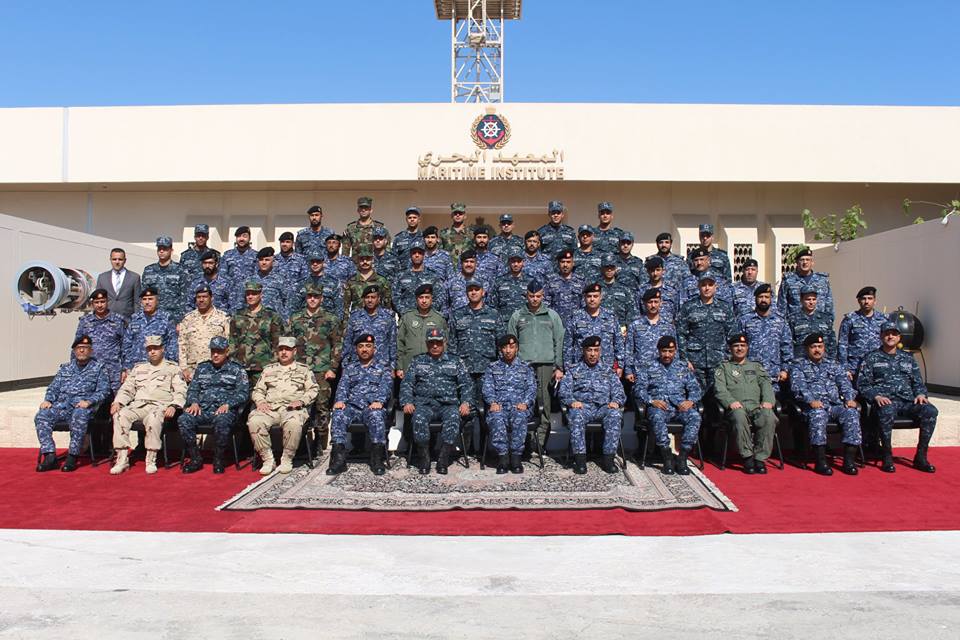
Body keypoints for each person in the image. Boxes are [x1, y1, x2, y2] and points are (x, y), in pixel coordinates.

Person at [857, 322, 938, 473]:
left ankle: (921, 456)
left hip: (908, 401)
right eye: (887, 333)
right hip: (885, 402)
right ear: (881, 336)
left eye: (894, 334)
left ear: (899, 337)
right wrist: (876, 396)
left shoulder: (908, 358)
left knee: (930, 411)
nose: (890, 337)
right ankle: (887, 456)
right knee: (886, 410)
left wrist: (921, 394)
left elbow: (918, 382)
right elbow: (862, 384)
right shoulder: (871, 358)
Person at [399, 328, 473, 475]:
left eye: (438, 343)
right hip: (424, 404)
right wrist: (407, 401)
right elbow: (407, 383)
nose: (434, 346)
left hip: (448, 405)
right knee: (418, 419)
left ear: (444, 342)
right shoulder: (418, 361)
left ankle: (443, 459)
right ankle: (424, 459)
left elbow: (466, 384)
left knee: (453, 419)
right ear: (427, 344)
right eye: (431, 343)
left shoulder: (455, 361)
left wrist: (466, 402)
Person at [109, 335, 187, 475]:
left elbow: (181, 390)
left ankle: (151, 459)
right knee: (120, 415)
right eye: (149, 349)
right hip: (138, 405)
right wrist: (118, 402)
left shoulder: (172, 368)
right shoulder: (139, 368)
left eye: (155, 348)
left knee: (154, 417)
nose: (152, 351)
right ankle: (122, 459)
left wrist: (174, 405)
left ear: (162, 349)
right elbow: (127, 388)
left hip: (160, 406)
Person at [34, 336, 110, 472]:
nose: (82, 350)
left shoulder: (99, 368)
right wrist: (48, 400)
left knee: (79, 415)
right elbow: (53, 388)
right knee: (42, 415)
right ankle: (50, 456)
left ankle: (72, 456)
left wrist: (89, 402)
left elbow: (104, 391)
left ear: (91, 351)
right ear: (74, 351)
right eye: (79, 348)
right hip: (62, 407)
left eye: (85, 348)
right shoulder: (65, 368)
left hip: (83, 408)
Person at [789, 333, 861, 476]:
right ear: (807, 349)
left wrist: (849, 399)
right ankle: (820, 461)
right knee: (818, 414)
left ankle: (849, 461)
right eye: (813, 347)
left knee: (851, 413)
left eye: (820, 346)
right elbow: (798, 388)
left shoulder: (833, 365)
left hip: (834, 405)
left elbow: (845, 384)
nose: (817, 350)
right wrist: (811, 400)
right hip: (812, 407)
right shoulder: (798, 366)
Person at [247, 337, 319, 475]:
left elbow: (313, 390)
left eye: (287, 349)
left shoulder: (304, 370)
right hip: (270, 408)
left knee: (294, 422)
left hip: (293, 409)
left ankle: (287, 459)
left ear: (295, 351)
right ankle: (268, 459)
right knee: (254, 420)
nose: (284, 352)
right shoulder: (268, 370)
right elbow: (257, 390)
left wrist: (301, 401)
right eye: (281, 349)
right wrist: (260, 402)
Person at [178, 336, 250, 474]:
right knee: (184, 419)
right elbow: (193, 389)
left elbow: (243, 393)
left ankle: (219, 458)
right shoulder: (202, 368)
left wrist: (228, 404)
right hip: (203, 410)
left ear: (227, 351)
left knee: (222, 420)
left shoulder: (237, 369)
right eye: (213, 351)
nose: (215, 355)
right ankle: (195, 458)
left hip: (224, 411)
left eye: (219, 351)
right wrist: (194, 402)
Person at [507, 280, 565, 449]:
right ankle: (525, 441)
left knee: (544, 403)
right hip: (523, 366)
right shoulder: (517, 315)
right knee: (523, 402)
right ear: (526, 295)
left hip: (545, 365)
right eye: (531, 296)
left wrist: (559, 366)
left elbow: (559, 341)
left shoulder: (552, 315)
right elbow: (510, 342)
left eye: (538, 296)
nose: (534, 299)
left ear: (543, 296)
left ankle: (539, 444)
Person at [634, 336, 703, 476]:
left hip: (680, 407)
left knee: (695, 416)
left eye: (670, 351)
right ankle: (667, 457)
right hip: (659, 407)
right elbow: (638, 389)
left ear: (675, 351)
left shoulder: (682, 367)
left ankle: (682, 457)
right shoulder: (648, 367)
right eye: (664, 351)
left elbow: (696, 389)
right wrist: (651, 401)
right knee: (657, 417)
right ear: (658, 351)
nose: (667, 354)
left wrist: (690, 401)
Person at [326, 333, 393, 476]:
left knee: (376, 415)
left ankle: (377, 459)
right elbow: (342, 387)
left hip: (372, 407)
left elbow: (386, 387)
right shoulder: (350, 368)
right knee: (338, 414)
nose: (364, 349)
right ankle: (339, 460)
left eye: (368, 346)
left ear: (374, 349)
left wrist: (379, 401)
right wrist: (340, 401)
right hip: (352, 407)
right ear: (356, 349)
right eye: (361, 346)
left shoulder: (383, 368)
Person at [287, 283, 344, 450]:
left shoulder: (331, 319)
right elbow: (288, 343)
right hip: (299, 369)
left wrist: (333, 368)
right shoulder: (295, 318)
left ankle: (320, 441)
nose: (312, 299)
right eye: (310, 296)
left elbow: (337, 345)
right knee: (298, 404)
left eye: (316, 297)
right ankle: (300, 442)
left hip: (322, 370)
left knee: (321, 405)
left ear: (322, 299)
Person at [558, 336, 626, 475]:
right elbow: (563, 392)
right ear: (583, 351)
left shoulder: (608, 371)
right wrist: (571, 401)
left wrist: (616, 401)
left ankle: (609, 460)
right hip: (583, 408)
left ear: (600, 351)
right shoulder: (573, 370)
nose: (593, 354)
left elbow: (620, 392)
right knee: (575, 415)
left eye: (596, 350)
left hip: (603, 408)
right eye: (589, 350)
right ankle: (580, 461)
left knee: (614, 414)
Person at [714, 333, 778, 474]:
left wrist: (768, 401)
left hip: (756, 407)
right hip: (736, 408)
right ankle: (747, 457)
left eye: (743, 346)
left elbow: (766, 384)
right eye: (736, 346)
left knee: (768, 416)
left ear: (747, 348)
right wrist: (730, 402)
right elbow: (719, 389)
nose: (739, 349)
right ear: (730, 349)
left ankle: (760, 458)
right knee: (739, 416)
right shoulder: (724, 367)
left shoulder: (756, 367)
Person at [448, 281, 500, 443]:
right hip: (465, 371)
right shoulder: (457, 315)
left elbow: (500, 344)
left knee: (488, 410)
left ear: (483, 292)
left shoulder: (493, 314)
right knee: (466, 410)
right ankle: (467, 449)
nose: (473, 292)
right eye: (470, 290)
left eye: (477, 289)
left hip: (487, 371)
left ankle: (485, 449)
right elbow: (452, 344)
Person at [482, 334, 537, 474]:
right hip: (499, 406)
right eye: (505, 347)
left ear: (517, 348)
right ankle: (503, 458)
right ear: (500, 349)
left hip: (519, 406)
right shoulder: (492, 367)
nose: (508, 350)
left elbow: (531, 388)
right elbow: (487, 388)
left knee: (519, 416)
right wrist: (492, 402)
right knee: (496, 417)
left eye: (511, 347)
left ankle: (516, 458)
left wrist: (525, 403)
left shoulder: (526, 367)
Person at [675, 273, 737, 394]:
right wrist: (685, 359)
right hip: (695, 362)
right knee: (695, 396)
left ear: (715, 286)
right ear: (698, 286)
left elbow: (732, 334)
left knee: (718, 396)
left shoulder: (724, 307)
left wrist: (729, 358)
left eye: (710, 285)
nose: (707, 288)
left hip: (719, 361)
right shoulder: (688, 307)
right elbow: (681, 334)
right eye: (703, 285)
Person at [738, 284, 792, 394]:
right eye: (760, 297)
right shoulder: (745, 320)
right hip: (749, 374)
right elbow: (737, 346)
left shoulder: (780, 321)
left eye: (766, 297)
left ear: (771, 299)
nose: (763, 300)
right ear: (755, 298)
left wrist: (785, 369)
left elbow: (787, 347)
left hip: (774, 376)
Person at [229, 280, 282, 388]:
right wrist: (233, 361)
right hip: (241, 366)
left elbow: (277, 342)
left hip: (263, 366)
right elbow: (232, 341)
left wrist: (273, 363)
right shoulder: (238, 316)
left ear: (260, 295)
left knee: (262, 395)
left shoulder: (271, 316)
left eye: (254, 293)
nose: (250, 296)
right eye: (248, 294)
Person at [563, 283, 625, 375]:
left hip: (606, 368)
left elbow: (618, 342)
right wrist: (568, 367)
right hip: (580, 369)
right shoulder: (575, 317)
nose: (592, 299)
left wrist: (620, 365)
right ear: (584, 298)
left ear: (601, 297)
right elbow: (567, 345)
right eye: (589, 296)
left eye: (595, 296)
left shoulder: (610, 317)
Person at [75, 288, 125, 392]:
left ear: (107, 302)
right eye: (96, 302)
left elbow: (125, 347)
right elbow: (77, 347)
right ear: (92, 304)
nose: (100, 305)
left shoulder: (117, 321)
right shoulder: (85, 322)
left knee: (116, 400)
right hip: (91, 371)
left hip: (113, 372)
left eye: (102, 302)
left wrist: (125, 369)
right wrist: (74, 367)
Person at [178, 284, 231, 382]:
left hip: (215, 368)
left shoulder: (223, 318)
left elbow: (229, 343)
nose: (201, 300)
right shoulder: (188, 319)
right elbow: (182, 345)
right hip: (192, 369)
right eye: (199, 297)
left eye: (205, 297)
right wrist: (183, 368)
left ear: (211, 298)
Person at [122, 288, 178, 377]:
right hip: (137, 367)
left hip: (159, 367)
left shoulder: (166, 318)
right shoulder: (135, 318)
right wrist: (126, 367)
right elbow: (127, 345)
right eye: (144, 299)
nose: (147, 302)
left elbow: (172, 344)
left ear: (157, 301)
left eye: (150, 299)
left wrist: (171, 365)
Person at [624, 289, 675, 384]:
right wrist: (628, 371)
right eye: (650, 302)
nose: (653, 305)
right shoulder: (635, 325)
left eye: (656, 302)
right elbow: (629, 350)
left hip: (663, 372)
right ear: (644, 303)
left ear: (661, 303)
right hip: (641, 373)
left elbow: (675, 350)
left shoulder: (668, 326)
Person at [396, 284, 447, 376]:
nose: (424, 301)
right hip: (409, 365)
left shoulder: (439, 319)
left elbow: (445, 343)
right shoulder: (407, 317)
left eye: (427, 297)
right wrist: (399, 366)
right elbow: (400, 343)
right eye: (421, 297)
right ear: (416, 299)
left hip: (432, 366)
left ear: (431, 299)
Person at [342, 285, 396, 371]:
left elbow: (392, 343)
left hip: (381, 366)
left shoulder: (388, 317)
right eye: (367, 297)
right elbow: (347, 342)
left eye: (373, 297)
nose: (370, 300)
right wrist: (345, 365)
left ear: (378, 299)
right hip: (357, 366)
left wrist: (393, 367)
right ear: (363, 299)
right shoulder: (355, 317)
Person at [838, 286, 887, 379]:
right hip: (854, 367)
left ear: (875, 301)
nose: (866, 301)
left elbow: (888, 342)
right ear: (859, 301)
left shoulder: (883, 319)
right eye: (863, 298)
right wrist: (844, 369)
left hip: (876, 367)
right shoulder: (850, 319)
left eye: (870, 298)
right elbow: (842, 344)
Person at [393, 239, 448, 317]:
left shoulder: (433, 275)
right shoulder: (401, 276)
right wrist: (405, 313)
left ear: (424, 254)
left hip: (428, 318)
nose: (417, 255)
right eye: (414, 253)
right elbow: (396, 297)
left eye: (420, 253)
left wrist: (428, 313)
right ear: (410, 254)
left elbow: (439, 296)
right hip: (407, 318)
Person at [777, 247, 834, 321]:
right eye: (802, 260)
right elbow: (781, 306)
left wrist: (829, 321)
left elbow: (829, 304)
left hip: (819, 323)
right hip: (795, 323)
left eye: (808, 260)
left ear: (812, 263)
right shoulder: (788, 280)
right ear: (797, 263)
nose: (805, 262)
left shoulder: (822, 280)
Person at [141, 236, 188, 324]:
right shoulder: (148, 270)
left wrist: (181, 321)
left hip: (173, 318)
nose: (161, 251)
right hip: (153, 318)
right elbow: (143, 296)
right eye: (159, 248)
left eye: (165, 249)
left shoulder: (180, 270)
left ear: (171, 250)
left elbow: (185, 297)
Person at [788, 286, 836, 361]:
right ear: (801, 300)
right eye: (808, 299)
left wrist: (832, 359)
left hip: (823, 361)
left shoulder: (825, 318)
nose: (811, 302)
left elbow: (832, 341)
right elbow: (788, 342)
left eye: (814, 299)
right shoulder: (793, 319)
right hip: (801, 361)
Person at [342, 245, 393, 315]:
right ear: (358, 260)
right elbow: (345, 305)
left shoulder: (382, 281)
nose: (365, 261)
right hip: (357, 319)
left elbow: (387, 305)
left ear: (372, 259)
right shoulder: (351, 281)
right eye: (362, 259)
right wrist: (346, 320)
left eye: (368, 259)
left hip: (377, 319)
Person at [488, 247, 530, 331]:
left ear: (523, 262)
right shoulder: (499, 281)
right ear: (508, 262)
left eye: (518, 261)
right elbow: (493, 304)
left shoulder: (530, 281)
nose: (516, 264)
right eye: (513, 261)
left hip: (525, 323)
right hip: (505, 324)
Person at [244, 247, 290, 320]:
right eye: (261, 260)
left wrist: (286, 319)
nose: (264, 262)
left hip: (275, 321)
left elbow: (288, 301)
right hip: (254, 321)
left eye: (267, 260)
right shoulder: (249, 280)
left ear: (273, 261)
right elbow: (242, 301)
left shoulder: (280, 280)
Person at [294, 252, 344, 318]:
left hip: (327, 320)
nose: (315, 264)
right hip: (305, 320)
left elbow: (339, 306)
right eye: (312, 262)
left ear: (323, 263)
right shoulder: (301, 283)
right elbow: (294, 305)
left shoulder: (333, 282)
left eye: (318, 261)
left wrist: (337, 322)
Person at [96, 247, 141, 319]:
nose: (117, 262)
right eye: (114, 259)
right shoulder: (102, 277)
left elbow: (137, 302)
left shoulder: (134, 277)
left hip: (127, 320)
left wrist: (136, 319)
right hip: (107, 320)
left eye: (120, 259)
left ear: (125, 260)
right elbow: (97, 300)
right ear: (110, 260)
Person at [543, 250, 585, 326]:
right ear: (558, 263)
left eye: (568, 262)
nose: (565, 265)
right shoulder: (550, 280)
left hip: (575, 323)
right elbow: (545, 303)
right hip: (556, 323)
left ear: (573, 263)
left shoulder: (580, 281)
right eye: (562, 262)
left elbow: (584, 304)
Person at [637, 256, 681, 325]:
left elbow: (677, 312)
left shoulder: (671, 291)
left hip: (667, 328)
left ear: (663, 271)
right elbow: (637, 312)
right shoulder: (641, 290)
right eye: (652, 270)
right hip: (647, 328)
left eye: (658, 270)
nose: (655, 273)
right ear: (648, 271)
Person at [597, 254, 636, 328]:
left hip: (621, 328)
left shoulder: (625, 289)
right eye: (606, 267)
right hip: (600, 327)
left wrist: (627, 327)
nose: (609, 270)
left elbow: (631, 311)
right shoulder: (595, 288)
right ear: (602, 268)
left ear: (616, 268)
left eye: (612, 267)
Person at [446, 249, 487, 313]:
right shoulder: (451, 281)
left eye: (472, 262)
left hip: (478, 317)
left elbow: (489, 303)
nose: (469, 264)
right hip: (456, 317)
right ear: (461, 263)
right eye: (466, 261)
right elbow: (445, 304)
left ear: (476, 264)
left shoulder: (483, 281)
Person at [440, 202, 473, 266]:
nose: (458, 215)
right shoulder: (444, 233)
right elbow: (440, 252)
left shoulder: (471, 233)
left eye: (460, 213)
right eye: (455, 213)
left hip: (466, 268)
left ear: (465, 216)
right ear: (451, 216)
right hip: (449, 268)